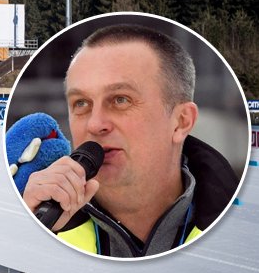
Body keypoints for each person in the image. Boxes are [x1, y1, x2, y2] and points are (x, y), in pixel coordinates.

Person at [22, 24, 238, 258]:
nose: (95, 124)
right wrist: (27, 229)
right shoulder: (41, 212)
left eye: (121, 100)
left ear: (181, 121)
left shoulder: (238, 234)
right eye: (81, 103)